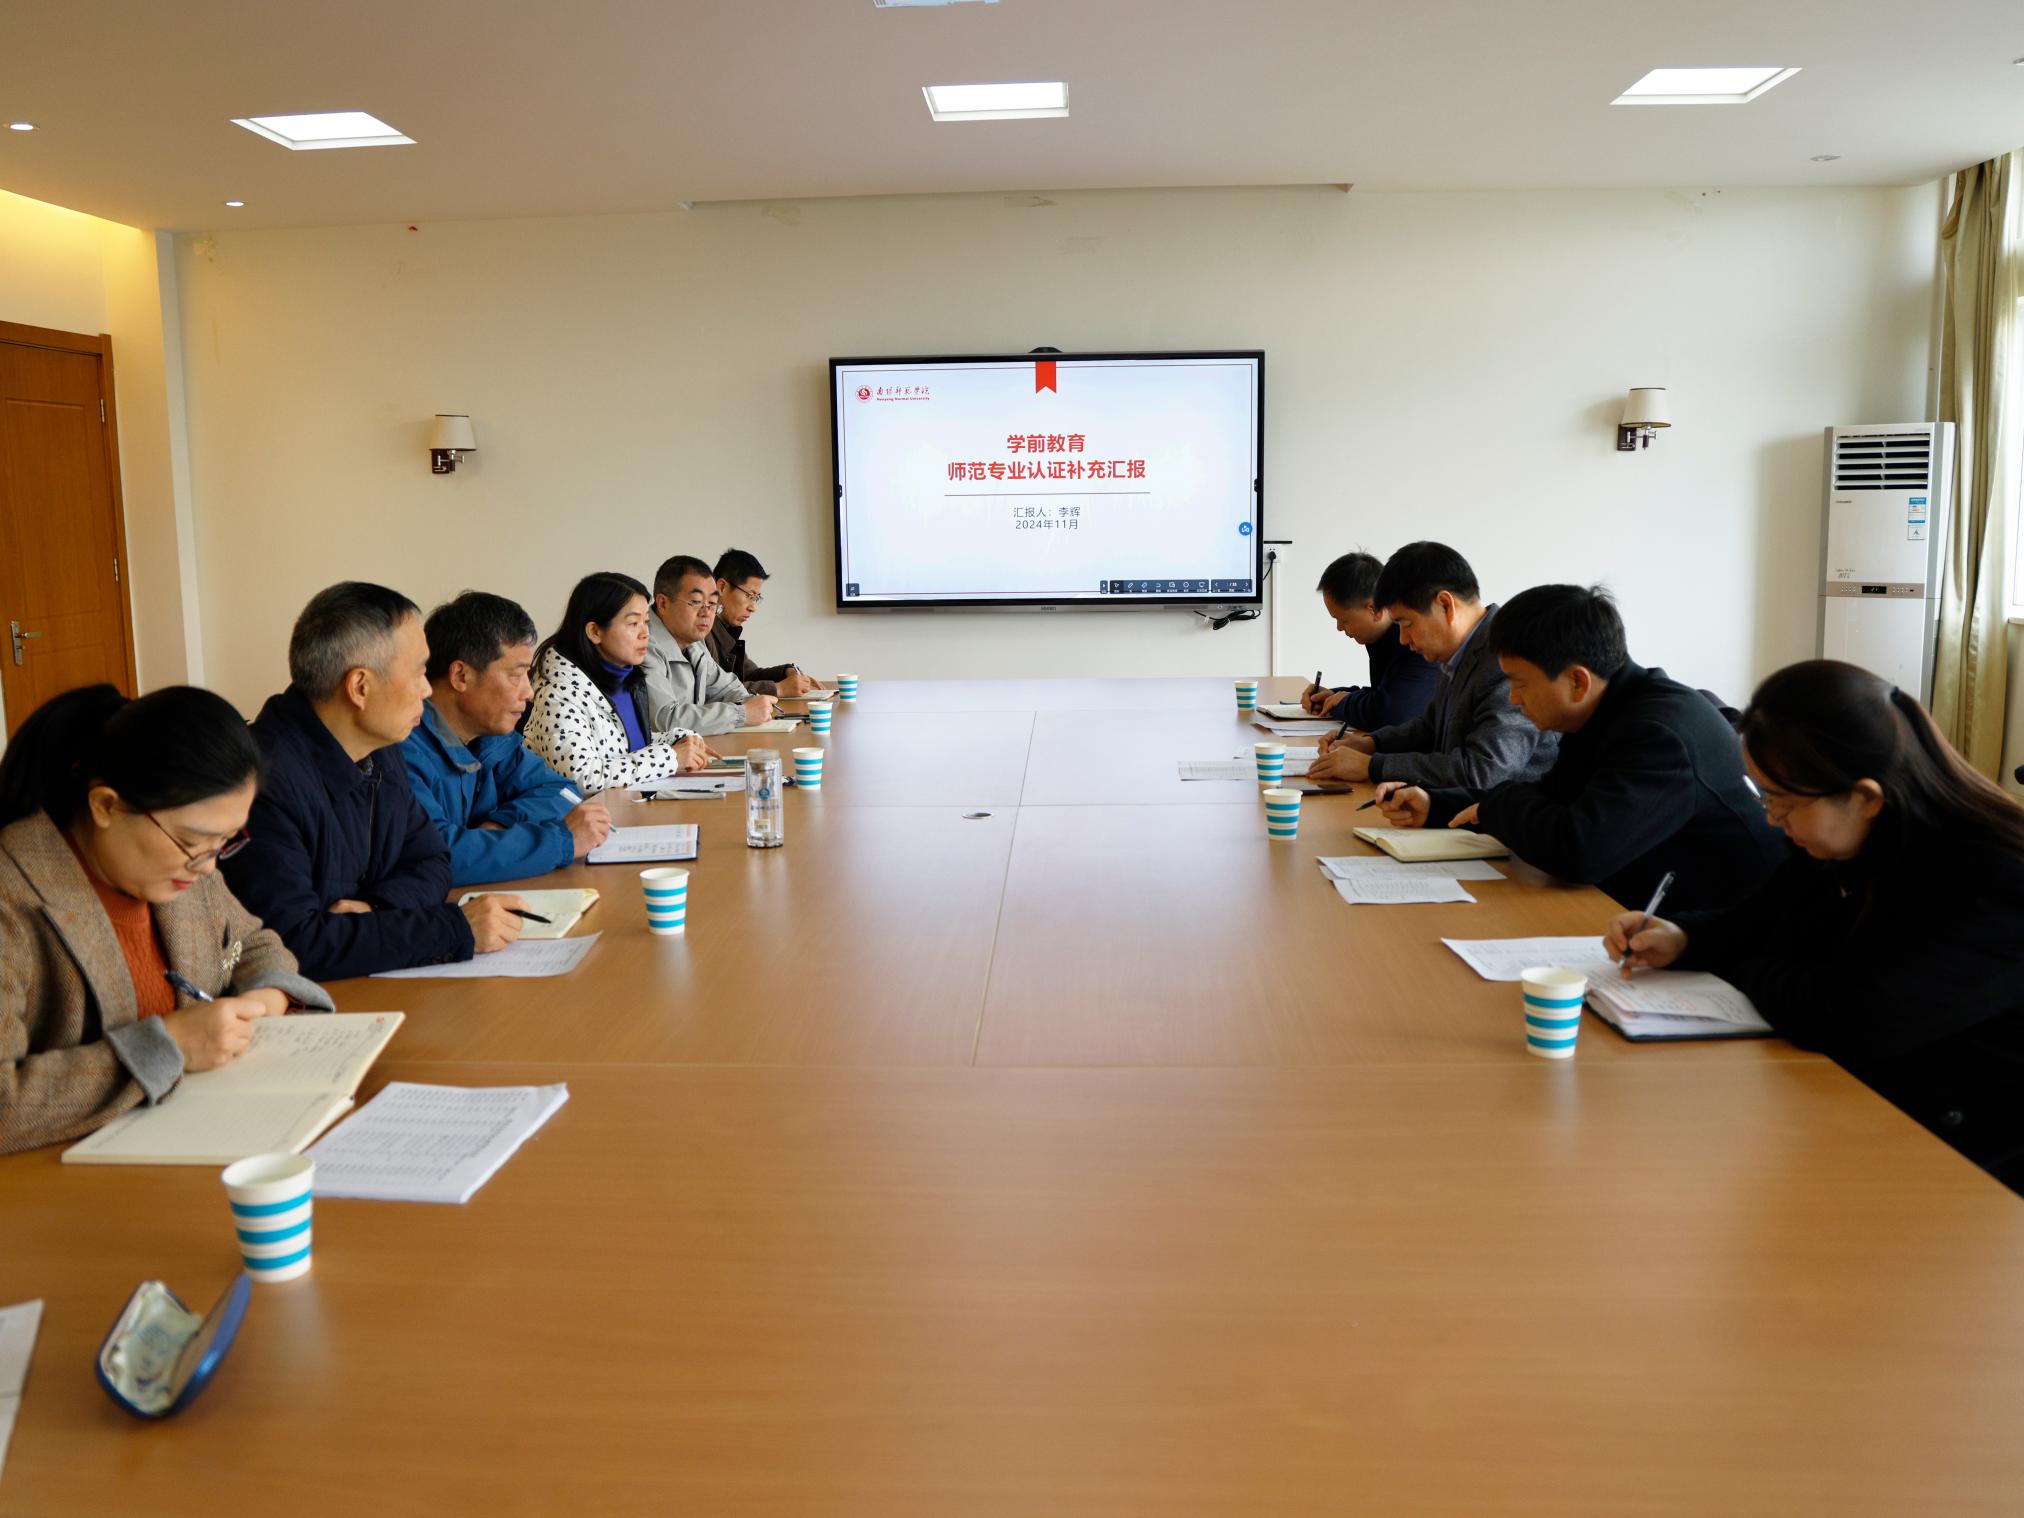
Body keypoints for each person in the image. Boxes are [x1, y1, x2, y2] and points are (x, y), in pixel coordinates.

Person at [1608, 661, 2024, 1192]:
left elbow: (1839, 1016)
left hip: (1966, 1162)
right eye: (1763, 795)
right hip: (1857, 1102)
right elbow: (1756, 921)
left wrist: (1749, 965)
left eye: (1782, 802)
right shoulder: (1847, 841)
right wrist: (1684, 938)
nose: (1770, 818)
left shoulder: (1990, 883)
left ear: (1865, 797)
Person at [0, 684, 333, 1154]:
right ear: (106, 806)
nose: (209, 866)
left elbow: (253, 942)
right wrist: (169, 1045)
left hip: (195, 1142)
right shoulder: (13, 896)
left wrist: (266, 998)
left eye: (225, 842)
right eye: (193, 841)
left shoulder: (183, 871)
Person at [1373, 584, 1786, 914]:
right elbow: (1552, 794)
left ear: (1577, 681)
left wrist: (1495, 809)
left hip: (1732, 940)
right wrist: (1438, 805)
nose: (1514, 699)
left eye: (1520, 683)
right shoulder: (1607, 708)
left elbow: (1581, 851)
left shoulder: (1657, 734)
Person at [224, 582, 528, 981]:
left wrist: (378, 908)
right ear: (360, 687)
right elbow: (291, 945)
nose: (427, 689)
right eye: (418, 673)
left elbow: (432, 861)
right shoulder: (263, 783)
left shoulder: (380, 750)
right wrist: (454, 929)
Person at [403, 591, 615, 887]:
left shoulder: (491, 740)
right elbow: (438, 856)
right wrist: (560, 841)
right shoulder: (404, 751)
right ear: (461, 676)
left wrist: (497, 827)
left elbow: (562, 791)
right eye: (517, 675)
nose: (529, 693)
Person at [1306, 542, 1556, 788]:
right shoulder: (1462, 648)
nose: (1402, 639)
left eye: (1406, 624)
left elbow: (1483, 771)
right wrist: (1371, 743)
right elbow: (1429, 727)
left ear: (1445, 605)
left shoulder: (1508, 659)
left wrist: (1373, 767)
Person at [524, 571, 716, 795]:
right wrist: (671, 757)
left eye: (646, 622)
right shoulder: (558, 693)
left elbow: (624, 745)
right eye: (633, 623)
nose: (645, 634)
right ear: (595, 631)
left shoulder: (624, 679)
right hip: (580, 815)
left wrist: (679, 739)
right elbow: (583, 777)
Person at [1295, 550, 1439, 730]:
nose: (1339, 627)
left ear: (1374, 609)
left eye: (1344, 620)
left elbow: (1392, 714)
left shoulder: (1415, 638)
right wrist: (1334, 695)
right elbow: (1386, 693)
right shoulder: (1381, 637)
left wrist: (1343, 702)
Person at [642, 554, 779, 737]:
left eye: (713, 603)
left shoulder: (693, 642)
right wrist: (741, 714)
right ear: (663, 603)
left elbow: (726, 688)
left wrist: (752, 703)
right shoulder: (642, 644)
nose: (706, 613)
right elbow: (665, 720)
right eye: (696, 602)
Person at [708, 548, 818, 698]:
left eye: (756, 598)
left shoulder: (726, 628)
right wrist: (778, 689)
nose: (753, 608)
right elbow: (715, 690)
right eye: (749, 595)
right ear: (722, 587)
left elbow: (749, 674)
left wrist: (785, 672)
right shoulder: (701, 632)